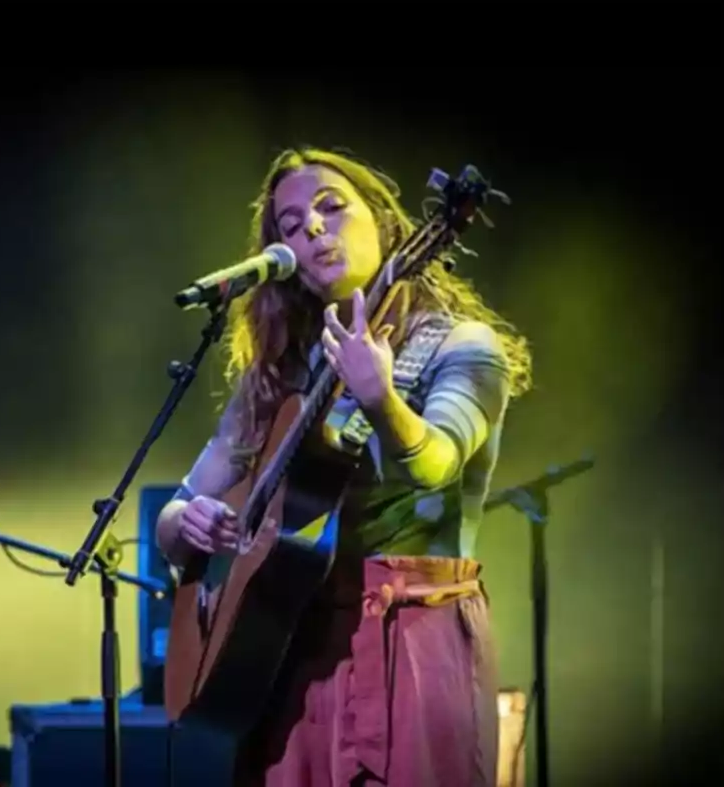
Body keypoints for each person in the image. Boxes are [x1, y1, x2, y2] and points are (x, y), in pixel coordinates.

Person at [154, 146, 533, 786]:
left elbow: (438, 462)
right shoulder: (276, 376)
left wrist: (382, 397)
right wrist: (187, 523)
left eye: (332, 208)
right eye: (292, 226)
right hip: (287, 649)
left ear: (385, 222)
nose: (314, 231)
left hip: (411, 638)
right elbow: (176, 508)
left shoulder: (464, 347)